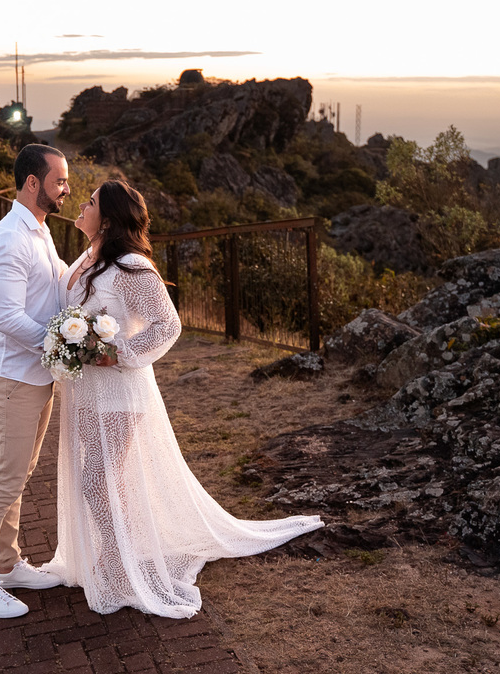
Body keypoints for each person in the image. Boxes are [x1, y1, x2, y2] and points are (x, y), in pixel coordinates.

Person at [42, 180, 323, 618]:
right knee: (95, 479)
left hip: (118, 392)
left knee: (100, 480)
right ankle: (115, 556)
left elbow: (166, 325)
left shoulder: (131, 266)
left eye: (92, 201)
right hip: (85, 392)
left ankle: (121, 565)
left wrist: (116, 353)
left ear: (110, 218)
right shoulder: (86, 258)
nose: (82, 203)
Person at [0, 143, 69, 618]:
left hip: (35, 376)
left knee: (18, 478)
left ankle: (8, 566)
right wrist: (60, 345)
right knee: (3, 482)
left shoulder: (40, 232)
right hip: (11, 378)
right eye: (59, 181)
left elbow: (60, 285)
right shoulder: (11, 238)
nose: (67, 189)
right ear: (33, 183)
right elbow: (6, 317)